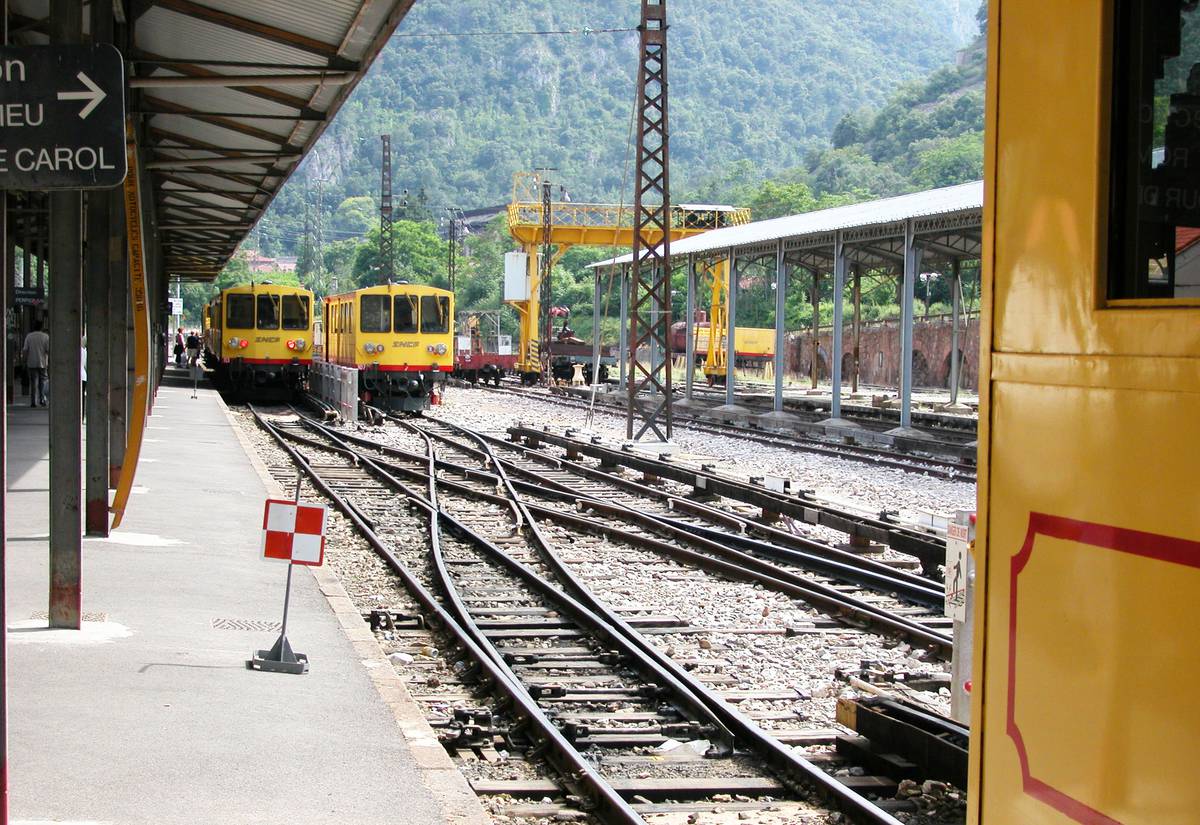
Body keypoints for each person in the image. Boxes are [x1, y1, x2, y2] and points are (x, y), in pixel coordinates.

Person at [22, 320, 49, 407]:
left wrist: (24, 361)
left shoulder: (29, 336)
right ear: (41, 327)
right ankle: (42, 400)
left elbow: (25, 350)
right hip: (43, 363)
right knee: (43, 382)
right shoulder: (45, 336)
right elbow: (48, 350)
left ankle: (33, 402)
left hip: (31, 362)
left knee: (33, 382)